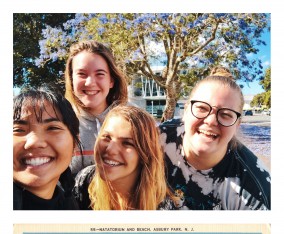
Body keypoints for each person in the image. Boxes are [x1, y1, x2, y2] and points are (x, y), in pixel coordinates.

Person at [160, 66, 271, 210]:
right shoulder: (156, 139)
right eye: (201, 108)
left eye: (225, 114)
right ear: (186, 111)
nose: (211, 121)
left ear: (237, 124)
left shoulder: (255, 191)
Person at [73, 105, 183, 210]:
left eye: (127, 143)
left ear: (145, 154)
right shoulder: (84, 182)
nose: (110, 149)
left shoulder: (164, 209)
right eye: (107, 137)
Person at [65, 40, 128, 175]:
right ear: (71, 79)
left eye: (100, 74)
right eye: (82, 74)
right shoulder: (60, 124)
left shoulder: (132, 123)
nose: (90, 82)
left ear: (111, 81)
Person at [13, 85, 81, 210]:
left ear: (75, 144)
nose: (34, 142)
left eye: (52, 128)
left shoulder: (70, 205)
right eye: (18, 130)